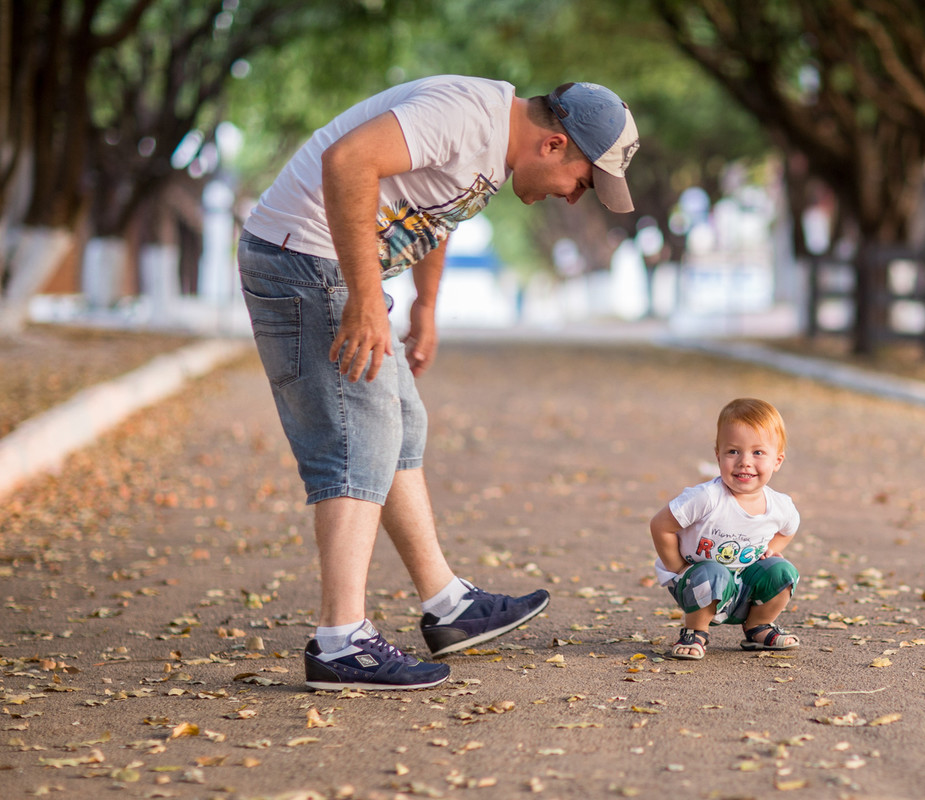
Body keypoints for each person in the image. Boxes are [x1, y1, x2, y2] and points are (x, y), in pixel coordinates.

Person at [236, 75, 640, 691]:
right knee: (355, 438)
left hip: (333, 266)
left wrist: (425, 303)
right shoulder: (468, 117)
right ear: (554, 144)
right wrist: (368, 300)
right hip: (303, 260)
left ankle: (448, 606)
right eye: (584, 181)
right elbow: (347, 161)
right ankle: (339, 641)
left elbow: (435, 208)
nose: (576, 197)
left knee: (400, 422)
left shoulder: (494, 152)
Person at [649, 398, 801, 660]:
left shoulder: (780, 506)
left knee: (784, 571)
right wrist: (678, 569)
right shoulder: (706, 498)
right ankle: (695, 630)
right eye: (733, 452)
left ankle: (758, 626)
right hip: (698, 582)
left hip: (745, 585)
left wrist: (771, 550)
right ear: (718, 456)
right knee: (714, 572)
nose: (744, 462)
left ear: (777, 460)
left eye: (758, 452)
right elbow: (661, 525)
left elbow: (789, 529)